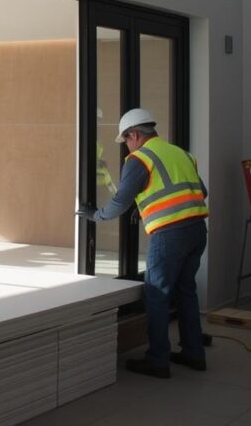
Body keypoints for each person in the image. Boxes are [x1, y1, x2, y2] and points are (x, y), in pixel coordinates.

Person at [77, 108, 209, 379]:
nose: (126, 148)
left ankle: (158, 360)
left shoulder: (140, 159)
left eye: (126, 141)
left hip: (169, 235)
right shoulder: (182, 153)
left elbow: (120, 202)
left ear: (135, 135)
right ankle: (194, 354)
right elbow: (199, 191)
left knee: (157, 295)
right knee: (186, 290)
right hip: (197, 230)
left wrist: (94, 215)